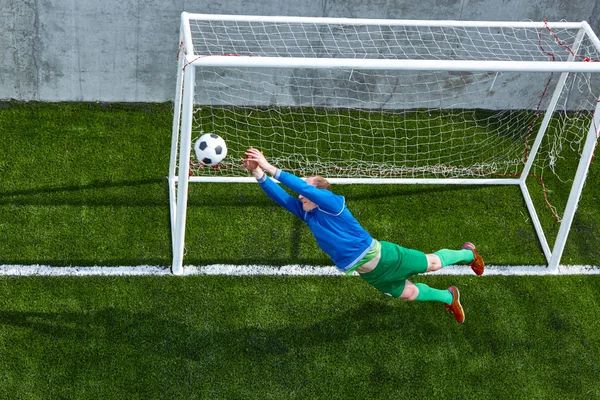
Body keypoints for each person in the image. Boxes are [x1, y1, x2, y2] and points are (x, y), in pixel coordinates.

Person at [241, 147, 484, 323]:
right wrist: (258, 174)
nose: (301, 197)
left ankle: (468, 253)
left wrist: (269, 166)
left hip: (386, 257)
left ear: (318, 194)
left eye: (307, 191)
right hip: (369, 273)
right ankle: (448, 296)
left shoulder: (332, 205)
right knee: (408, 294)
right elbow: (283, 198)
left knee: (432, 264)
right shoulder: (308, 214)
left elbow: (301, 189)